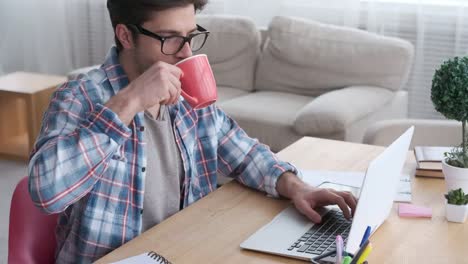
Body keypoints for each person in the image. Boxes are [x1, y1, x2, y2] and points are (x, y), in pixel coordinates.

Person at [28, 0, 357, 262]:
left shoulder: (185, 89)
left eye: (190, 35)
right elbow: (46, 192)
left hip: (186, 250)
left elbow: (241, 151)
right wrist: (129, 101)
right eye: (170, 38)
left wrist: (296, 186)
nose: (187, 52)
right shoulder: (79, 97)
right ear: (126, 36)